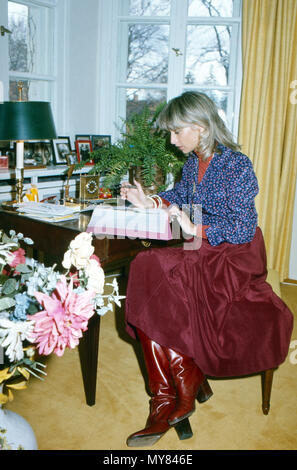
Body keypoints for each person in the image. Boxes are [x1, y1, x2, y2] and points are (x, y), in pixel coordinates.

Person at [120, 91, 293, 447]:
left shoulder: (237, 165)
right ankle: (171, 393)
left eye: (175, 132)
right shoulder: (192, 162)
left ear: (198, 128)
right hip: (202, 249)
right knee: (146, 266)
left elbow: (243, 227)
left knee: (154, 266)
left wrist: (194, 228)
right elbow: (179, 193)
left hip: (234, 255)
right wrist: (149, 200)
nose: (171, 140)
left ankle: (172, 395)